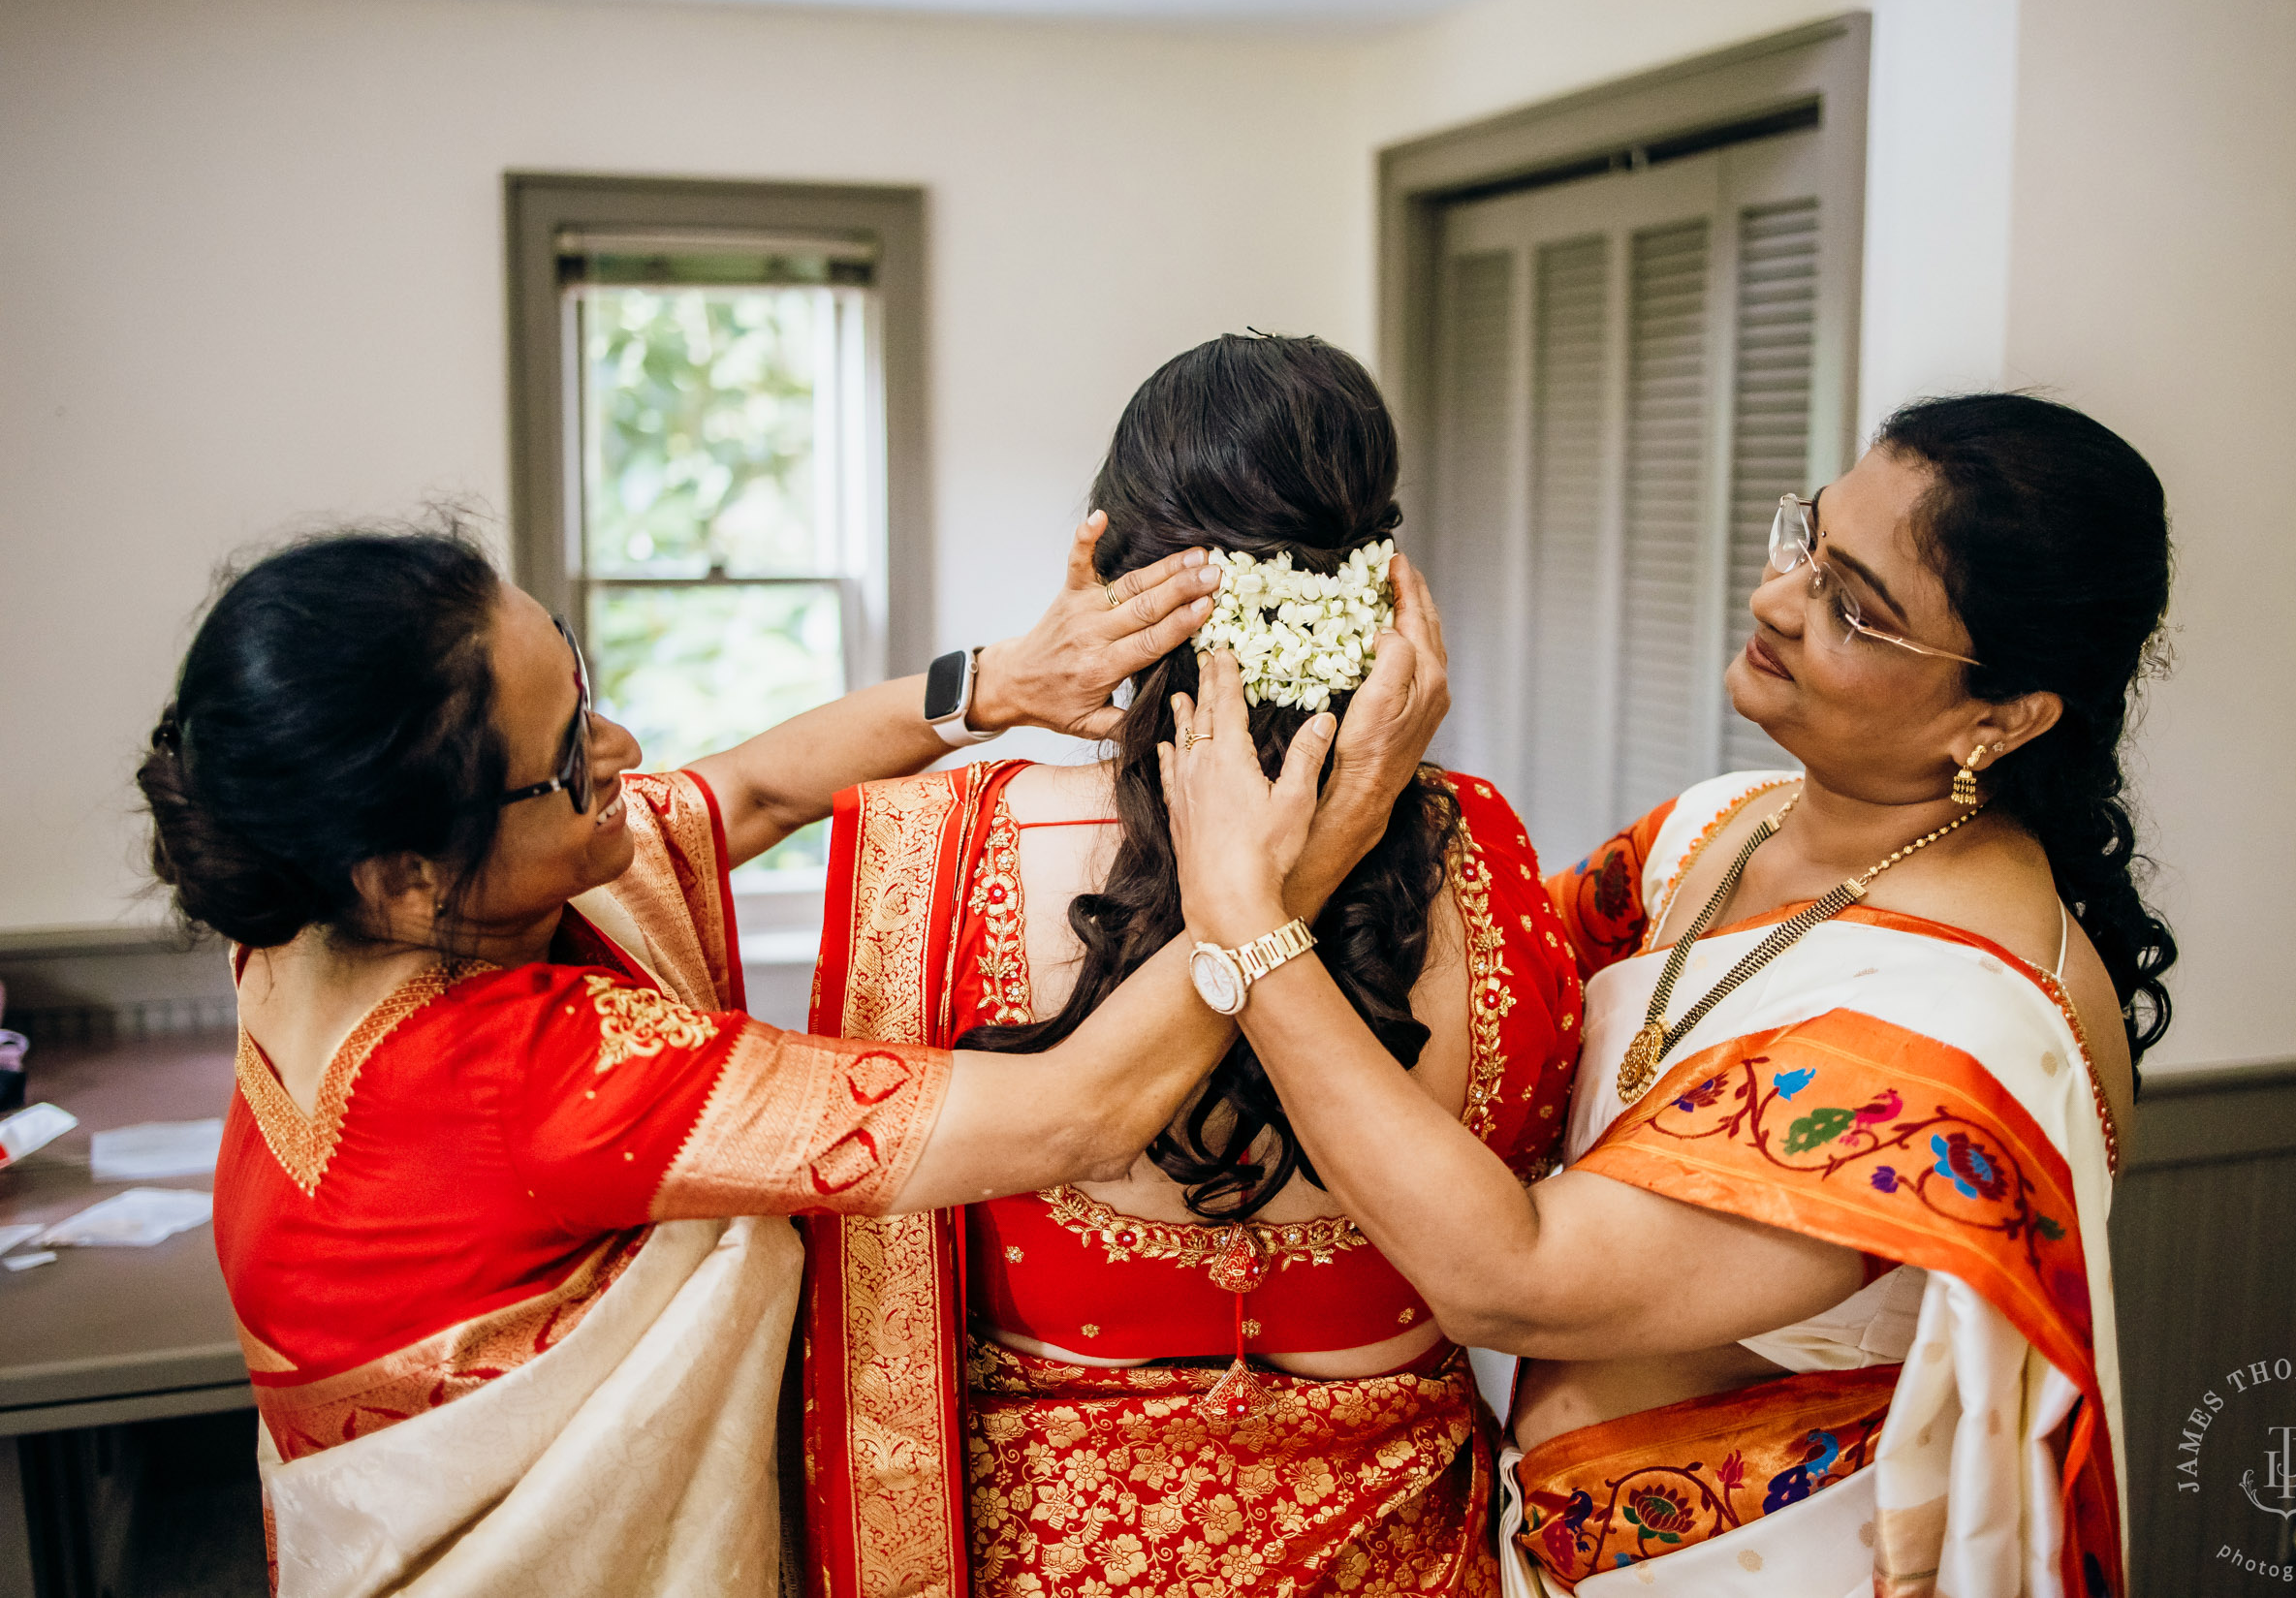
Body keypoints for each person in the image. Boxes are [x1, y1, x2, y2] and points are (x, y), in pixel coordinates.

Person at [140, 514, 1430, 1598]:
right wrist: (1286, 878)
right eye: (567, 762)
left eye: (583, 687)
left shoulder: (304, 909)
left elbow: (745, 789)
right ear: (408, 878)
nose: (623, 756)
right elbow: (1078, 1111)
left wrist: (1003, 679)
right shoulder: (528, 1076)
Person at [1163, 393, 2174, 1597]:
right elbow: (1488, 990)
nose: (1775, 597)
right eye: (1804, 535)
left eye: (1852, 606)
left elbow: (1511, 1276)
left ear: (2003, 715)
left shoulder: (1954, 1034)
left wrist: (1250, 925)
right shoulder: (1719, 826)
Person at [802, 333, 1584, 1597]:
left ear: (1106, 561)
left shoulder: (932, 848)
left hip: (1052, 1551)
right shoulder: (1480, 840)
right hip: (1400, 1550)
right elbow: (1535, 1137)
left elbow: (870, 1214)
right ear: (1379, 581)